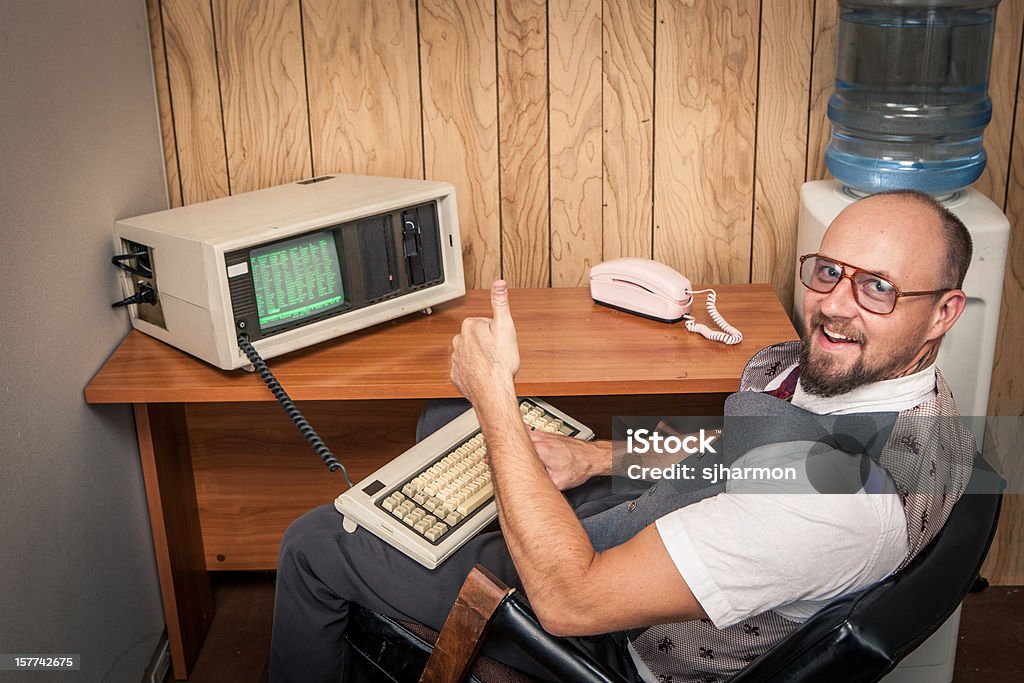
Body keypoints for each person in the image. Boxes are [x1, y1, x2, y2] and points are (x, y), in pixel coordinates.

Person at [270, 190, 977, 682]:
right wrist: (596, 456)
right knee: (441, 426)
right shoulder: (909, 403)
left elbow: (570, 599)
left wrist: (493, 396)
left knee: (312, 545)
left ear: (944, 311)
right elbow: (759, 455)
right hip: (685, 527)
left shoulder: (833, 504)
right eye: (828, 272)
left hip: (614, 632)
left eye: (877, 287)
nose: (833, 307)